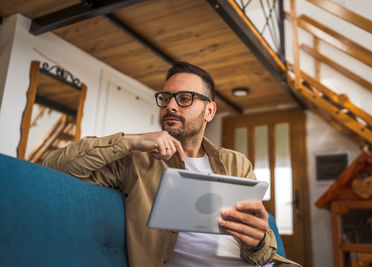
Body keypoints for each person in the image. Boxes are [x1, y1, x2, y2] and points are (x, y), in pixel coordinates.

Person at [43, 62, 299, 267]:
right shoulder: (136, 160)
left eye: (185, 98)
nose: (171, 106)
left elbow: (261, 249)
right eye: (166, 98)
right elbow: (55, 166)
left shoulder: (236, 162)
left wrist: (256, 242)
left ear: (209, 111)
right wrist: (131, 141)